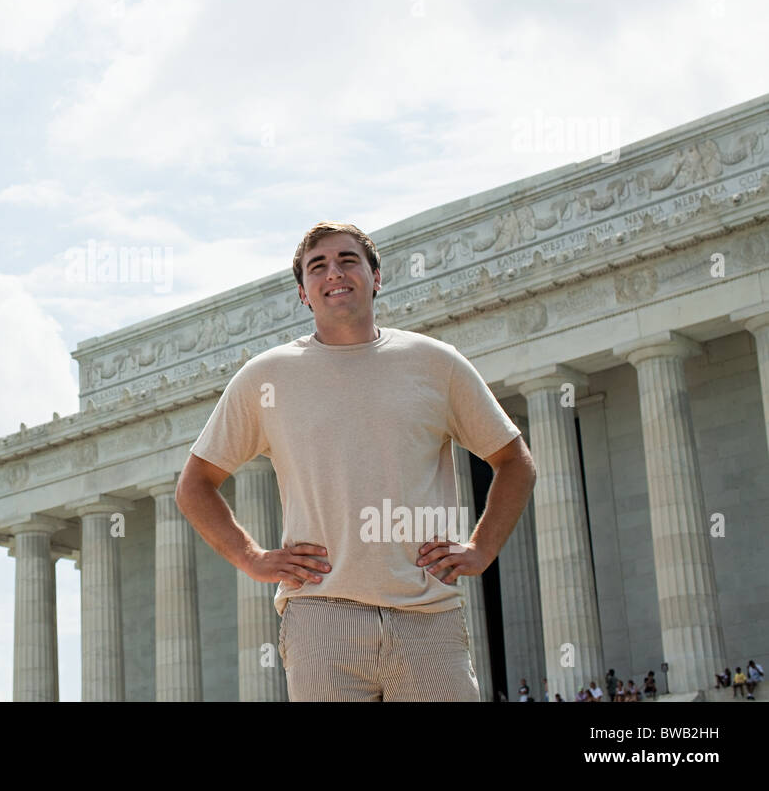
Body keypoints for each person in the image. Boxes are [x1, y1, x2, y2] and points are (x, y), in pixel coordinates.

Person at [177, 222, 537, 702]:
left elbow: (514, 461)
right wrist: (252, 557)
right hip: (322, 615)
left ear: (376, 276)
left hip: (426, 612)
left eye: (348, 260)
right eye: (317, 266)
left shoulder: (436, 364)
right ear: (303, 292)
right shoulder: (266, 377)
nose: (334, 274)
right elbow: (196, 484)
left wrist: (480, 549)